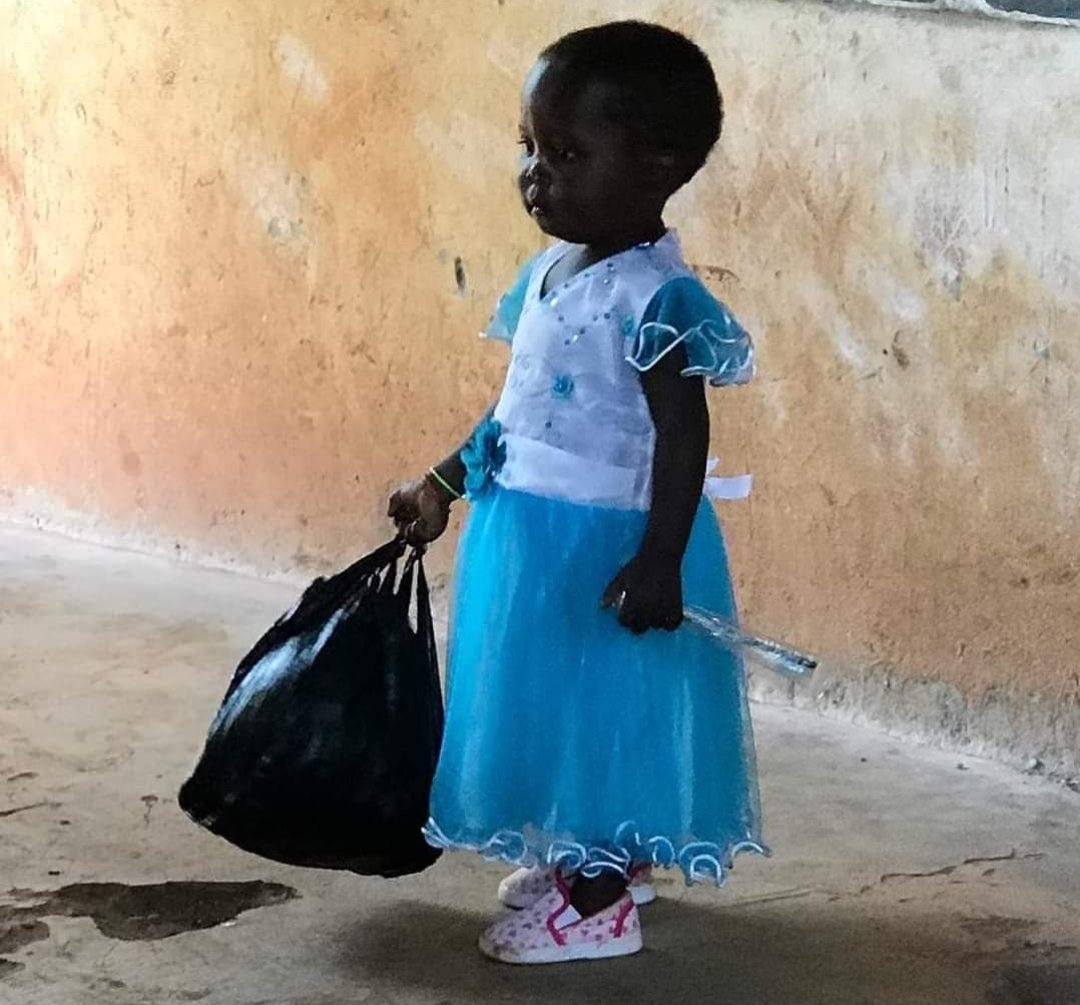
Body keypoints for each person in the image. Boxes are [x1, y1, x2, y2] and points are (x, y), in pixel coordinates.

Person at [389, 20, 764, 965]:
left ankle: (599, 898)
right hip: (527, 534)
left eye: (566, 152)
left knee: (605, 710)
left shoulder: (659, 298)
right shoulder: (549, 272)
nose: (536, 174)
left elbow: (684, 437)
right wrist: (446, 480)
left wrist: (660, 559)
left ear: (656, 167)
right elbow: (517, 412)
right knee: (548, 701)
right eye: (530, 147)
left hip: (612, 544)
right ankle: (599, 856)